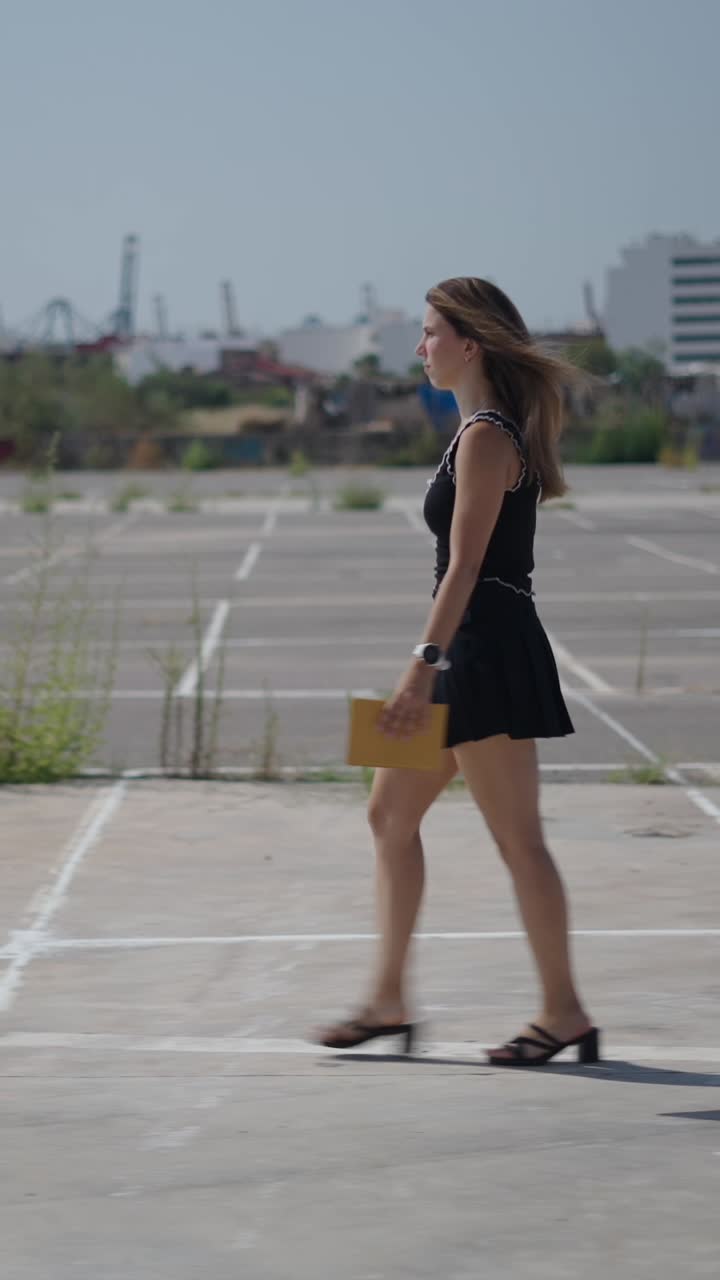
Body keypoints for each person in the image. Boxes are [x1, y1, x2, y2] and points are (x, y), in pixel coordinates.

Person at [312, 276, 599, 1067]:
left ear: (470, 343)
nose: (420, 347)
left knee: (519, 841)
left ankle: (565, 1013)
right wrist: (427, 661)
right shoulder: (475, 430)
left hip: (483, 652)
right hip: (461, 648)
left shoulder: (487, 436)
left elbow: (464, 568)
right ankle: (387, 999)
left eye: (431, 332)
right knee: (387, 815)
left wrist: (419, 667)